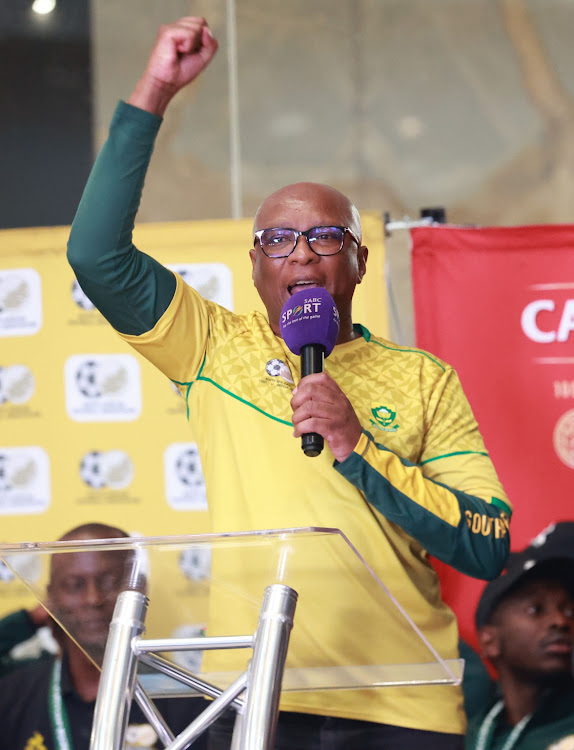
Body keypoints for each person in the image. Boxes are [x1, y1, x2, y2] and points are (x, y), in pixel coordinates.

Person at [66, 17, 512, 749]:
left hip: (406, 711)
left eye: (325, 236)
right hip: (254, 700)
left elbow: (486, 541)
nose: (301, 254)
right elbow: (95, 254)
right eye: (277, 239)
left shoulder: (422, 378)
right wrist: (155, 92)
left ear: (361, 262)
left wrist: (355, 443)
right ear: (254, 267)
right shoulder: (211, 346)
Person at [0, 523, 207, 750]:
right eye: (74, 585)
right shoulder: (13, 694)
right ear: (51, 597)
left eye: (109, 581)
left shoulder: (187, 700)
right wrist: (29, 618)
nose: (93, 598)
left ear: (140, 588)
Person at [466, 521, 574, 750]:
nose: (561, 621)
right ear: (490, 640)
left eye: (570, 612)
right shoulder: (467, 731)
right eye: (535, 609)